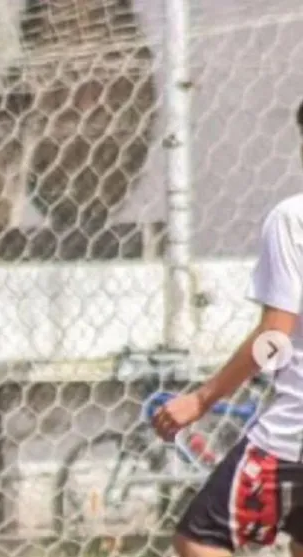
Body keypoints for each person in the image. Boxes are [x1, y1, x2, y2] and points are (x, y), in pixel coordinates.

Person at [151, 99, 303, 557]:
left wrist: (201, 398)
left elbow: (274, 337)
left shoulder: (293, 219)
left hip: (292, 438)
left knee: (200, 539)